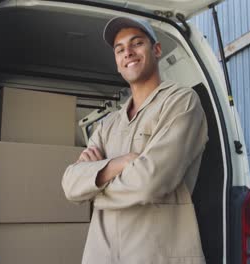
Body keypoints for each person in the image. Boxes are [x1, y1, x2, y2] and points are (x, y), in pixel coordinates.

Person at [62, 16, 208, 264]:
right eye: (120, 50)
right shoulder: (108, 124)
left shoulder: (181, 102)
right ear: (117, 63)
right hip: (102, 257)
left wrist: (94, 184)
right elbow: (70, 185)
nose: (128, 52)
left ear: (157, 50)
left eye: (137, 43)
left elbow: (150, 181)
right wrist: (117, 164)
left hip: (154, 256)